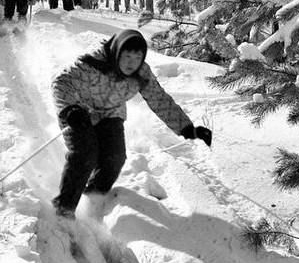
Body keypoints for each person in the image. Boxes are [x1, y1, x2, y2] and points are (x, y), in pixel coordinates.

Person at [51, 29, 212, 219]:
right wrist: (70, 110)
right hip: (78, 113)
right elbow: (61, 84)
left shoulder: (141, 74)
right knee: (86, 153)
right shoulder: (91, 64)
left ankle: (93, 199)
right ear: (117, 52)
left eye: (137, 58)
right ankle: (64, 208)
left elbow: (160, 100)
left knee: (115, 157)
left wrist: (188, 129)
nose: (131, 63)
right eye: (127, 56)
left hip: (110, 113)